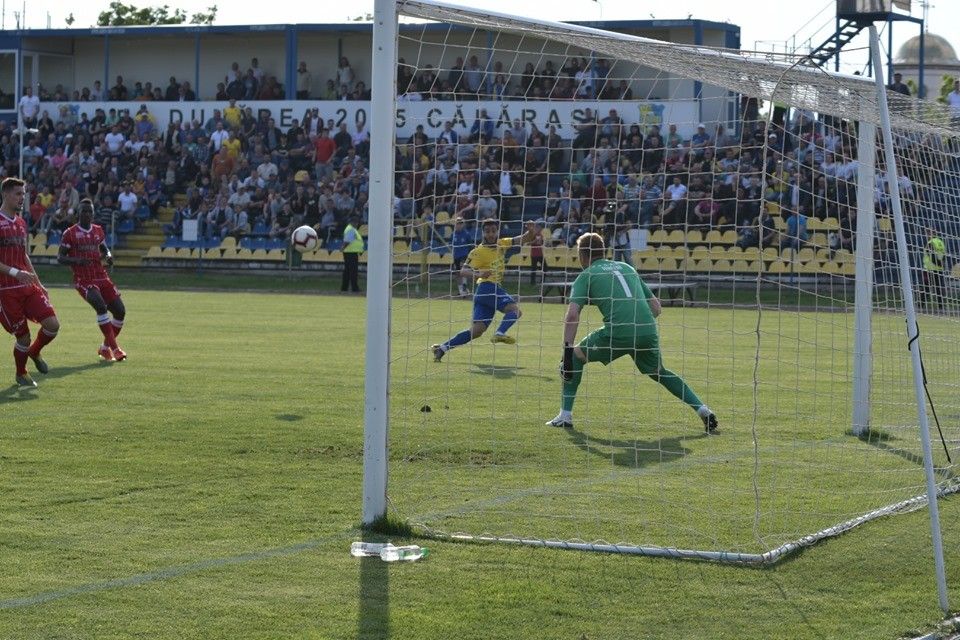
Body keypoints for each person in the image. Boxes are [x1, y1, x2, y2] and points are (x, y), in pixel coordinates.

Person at [546, 232, 717, 433]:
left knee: (574, 358)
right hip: (646, 330)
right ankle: (702, 409)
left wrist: (566, 351)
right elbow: (656, 308)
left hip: (618, 332)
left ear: (582, 254)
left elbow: (573, 315)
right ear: (604, 251)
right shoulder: (627, 268)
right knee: (659, 372)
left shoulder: (587, 275)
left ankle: (565, 416)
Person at [432, 219, 536, 361]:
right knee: (515, 311)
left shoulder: (502, 243)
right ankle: (500, 332)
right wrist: (479, 274)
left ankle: (442, 348)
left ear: (497, 231)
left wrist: (530, 231)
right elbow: (463, 271)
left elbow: (524, 239)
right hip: (488, 287)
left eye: (493, 231)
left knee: (476, 331)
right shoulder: (478, 251)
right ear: (483, 233)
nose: (491, 234)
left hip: (484, 293)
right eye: (487, 231)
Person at [0, 177, 60, 388]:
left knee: (53, 325)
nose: (22, 198)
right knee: (23, 337)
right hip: (5, 291)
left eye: (23, 195)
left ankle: (35, 352)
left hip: (26, 285)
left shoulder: (21, 223)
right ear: (5, 194)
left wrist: (38, 282)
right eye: (18, 194)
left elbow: (24, 254)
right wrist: (16, 273)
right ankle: (21, 373)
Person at [57, 199, 127, 362]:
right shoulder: (70, 233)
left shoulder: (98, 230)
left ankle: (104, 348)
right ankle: (115, 349)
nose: (87, 214)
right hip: (84, 278)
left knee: (120, 311)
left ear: (93, 214)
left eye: (90, 211)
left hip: (101, 275)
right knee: (101, 307)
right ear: (78, 213)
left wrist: (108, 257)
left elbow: (104, 249)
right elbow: (60, 257)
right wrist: (76, 261)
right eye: (84, 211)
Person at [922, 226, 946, 312]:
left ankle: (920, 306)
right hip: (939, 269)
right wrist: (941, 264)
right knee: (939, 288)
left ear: (932, 233)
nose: (927, 234)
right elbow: (943, 255)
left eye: (928, 233)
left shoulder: (930, 243)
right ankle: (941, 307)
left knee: (926, 288)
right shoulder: (940, 242)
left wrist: (937, 263)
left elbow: (931, 255)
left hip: (929, 269)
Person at [341, 214, 364, 293]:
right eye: (356, 222)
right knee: (353, 271)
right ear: (354, 222)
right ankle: (355, 288)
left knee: (347, 271)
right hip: (351, 253)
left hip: (349, 252)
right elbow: (347, 240)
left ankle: (344, 288)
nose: (357, 224)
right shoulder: (351, 229)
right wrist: (343, 248)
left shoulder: (349, 229)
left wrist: (343, 249)